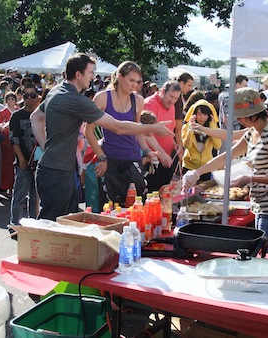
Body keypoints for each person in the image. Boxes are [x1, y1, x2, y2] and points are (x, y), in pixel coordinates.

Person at [30, 53, 173, 221]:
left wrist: (47, 146)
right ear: (78, 74)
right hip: (57, 172)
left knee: (62, 224)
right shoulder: (74, 99)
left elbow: (36, 117)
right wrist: (154, 127)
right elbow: (117, 127)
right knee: (52, 227)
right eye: (90, 73)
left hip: (59, 169)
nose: (93, 77)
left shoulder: (56, 91)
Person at [183, 88, 268, 253]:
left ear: (254, 114)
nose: (240, 120)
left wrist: (250, 179)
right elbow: (227, 156)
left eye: (242, 116)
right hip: (261, 205)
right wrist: (197, 172)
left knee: (266, 259)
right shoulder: (253, 131)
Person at [85, 61, 151, 209]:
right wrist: (101, 157)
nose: (134, 85)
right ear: (120, 77)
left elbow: (137, 130)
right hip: (110, 159)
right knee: (110, 208)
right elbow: (88, 131)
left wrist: (147, 151)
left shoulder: (138, 100)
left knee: (135, 209)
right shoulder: (102, 98)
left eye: (137, 82)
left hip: (132, 158)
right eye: (131, 80)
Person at [9, 84, 39, 225]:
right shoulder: (17, 116)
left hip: (39, 161)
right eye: (26, 96)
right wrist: (20, 158)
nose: (29, 99)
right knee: (20, 195)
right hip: (23, 161)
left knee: (35, 196)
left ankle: (33, 224)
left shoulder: (41, 114)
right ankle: (15, 224)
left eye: (32, 95)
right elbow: (13, 139)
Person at [182, 99, 221, 181]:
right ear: (194, 114)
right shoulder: (186, 127)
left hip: (206, 167)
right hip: (189, 166)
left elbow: (217, 146)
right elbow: (187, 145)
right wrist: (191, 129)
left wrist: (212, 127)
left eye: (205, 115)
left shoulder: (213, 127)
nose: (202, 117)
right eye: (199, 114)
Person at [0, 91, 17, 192]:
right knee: (7, 164)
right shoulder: (3, 112)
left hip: (17, 141)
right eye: (8, 99)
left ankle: (16, 187)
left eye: (12, 99)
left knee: (18, 164)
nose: (10, 101)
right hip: (6, 140)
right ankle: (7, 186)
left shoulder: (18, 111)